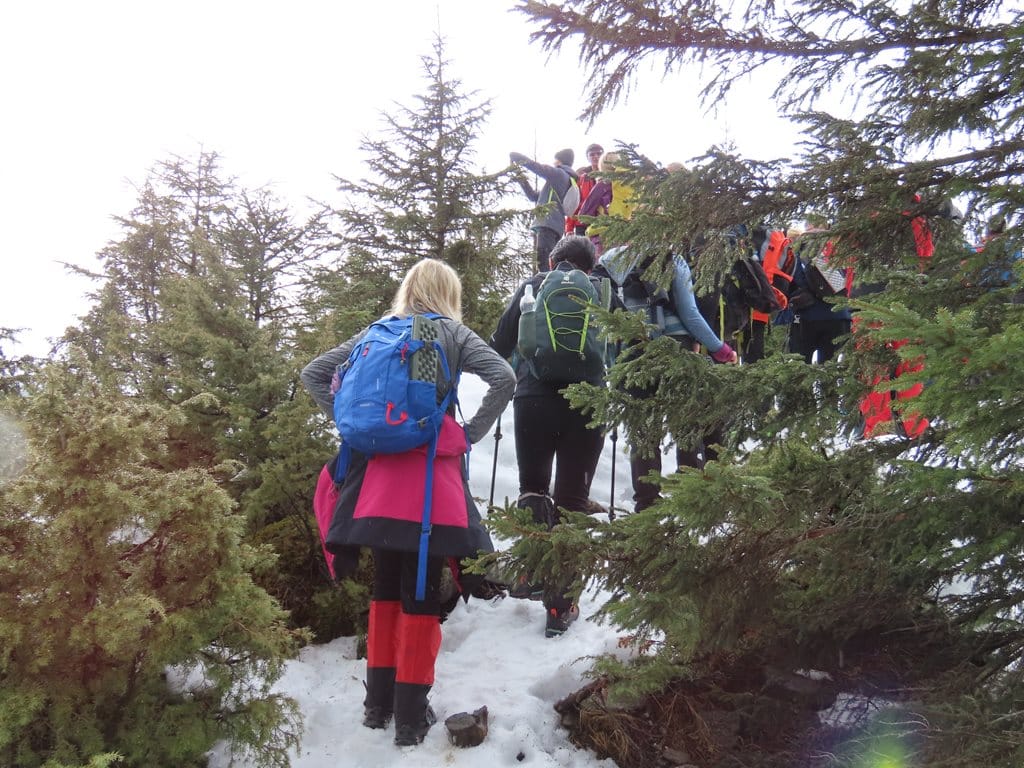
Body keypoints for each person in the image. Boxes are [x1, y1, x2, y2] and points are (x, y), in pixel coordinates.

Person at [300, 259, 515, 747]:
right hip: (425, 485)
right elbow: (503, 377)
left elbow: (314, 374)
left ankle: (377, 707)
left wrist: (354, 424)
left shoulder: (378, 331)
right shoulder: (443, 332)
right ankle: (411, 718)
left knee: (385, 587)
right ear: (448, 294)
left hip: (376, 485)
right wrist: (470, 433)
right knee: (420, 591)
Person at [490, 235, 615, 637]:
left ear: (551, 261)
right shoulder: (602, 291)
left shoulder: (532, 285)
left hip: (533, 399)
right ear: (590, 266)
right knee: (572, 500)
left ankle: (529, 575)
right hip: (587, 403)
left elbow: (499, 344)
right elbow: (623, 347)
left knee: (533, 487)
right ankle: (560, 607)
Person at [594, 246, 737, 510]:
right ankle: (689, 497)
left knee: (643, 431)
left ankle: (647, 503)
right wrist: (720, 349)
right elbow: (690, 313)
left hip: (631, 353)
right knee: (686, 424)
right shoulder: (673, 259)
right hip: (675, 348)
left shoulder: (608, 261)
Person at [510, 148, 579, 272]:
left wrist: (517, 157)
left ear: (559, 161)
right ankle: (547, 281)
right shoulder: (561, 180)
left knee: (544, 260)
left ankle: (546, 283)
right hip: (554, 225)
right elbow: (533, 196)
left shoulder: (560, 174)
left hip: (548, 222)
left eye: (555, 161)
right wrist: (520, 177)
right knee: (547, 260)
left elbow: (538, 168)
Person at [578, 151, 636, 255]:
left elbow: (584, 216)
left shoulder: (602, 185)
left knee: (603, 264)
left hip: (603, 236)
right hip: (627, 235)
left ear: (602, 166)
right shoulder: (631, 185)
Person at [566, 142, 604, 236]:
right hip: (583, 223)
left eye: (599, 154)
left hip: (603, 222)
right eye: (592, 154)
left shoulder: (609, 177)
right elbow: (574, 203)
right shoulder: (582, 179)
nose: (596, 156)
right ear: (588, 158)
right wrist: (569, 228)